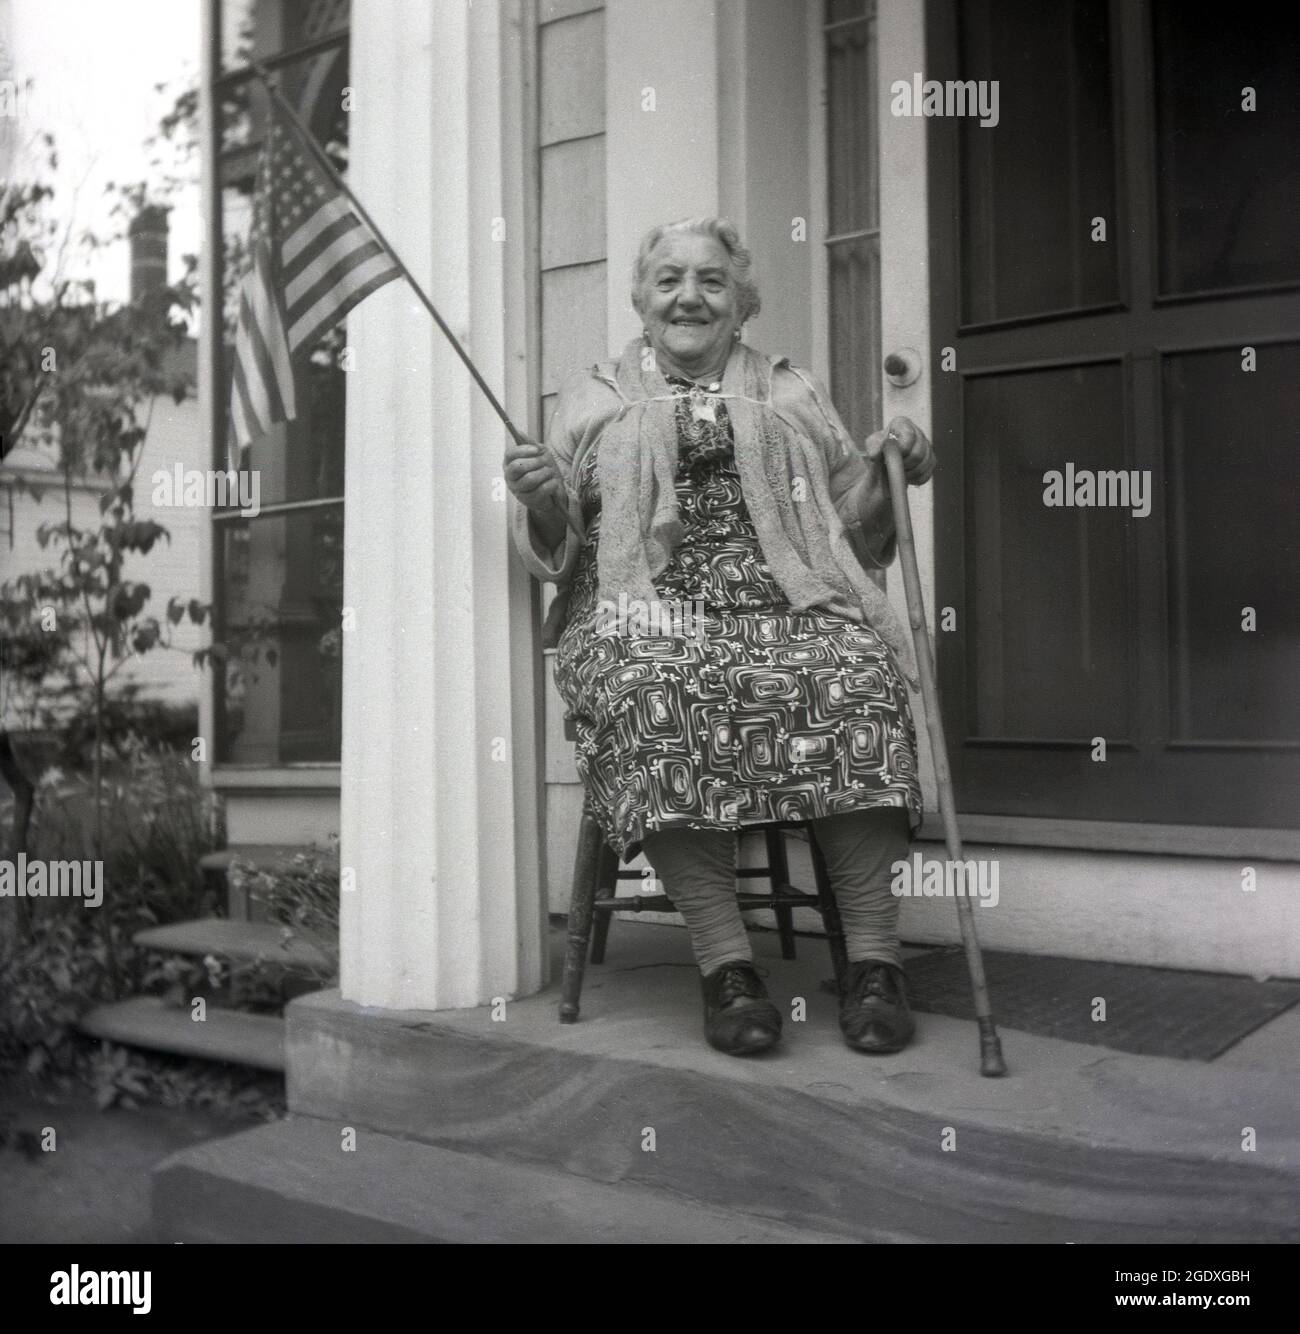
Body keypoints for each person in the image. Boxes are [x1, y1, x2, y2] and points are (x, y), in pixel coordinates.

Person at [503, 217, 935, 1057]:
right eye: (668, 280)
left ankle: (876, 965)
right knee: (660, 684)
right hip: (638, 608)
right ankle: (726, 968)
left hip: (790, 599)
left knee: (859, 673)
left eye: (710, 281)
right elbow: (560, 547)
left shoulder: (789, 389)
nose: (688, 296)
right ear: (640, 298)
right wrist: (541, 498)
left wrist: (892, 461)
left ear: (742, 304)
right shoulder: (594, 395)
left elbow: (855, 527)